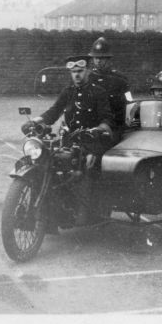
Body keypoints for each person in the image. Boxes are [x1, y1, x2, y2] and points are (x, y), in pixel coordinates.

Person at [21, 55, 114, 225]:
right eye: (73, 72)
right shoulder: (68, 91)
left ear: (87, 71)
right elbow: (54, 111)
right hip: (69, 139)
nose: (76, 75)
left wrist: (97, 135)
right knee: (44, 160)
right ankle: (50, 211)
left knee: (86, 168)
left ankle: (85, 213)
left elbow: (107, 120)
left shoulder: (98, 92)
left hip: (91, 141)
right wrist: (35, 121)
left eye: (80, 71)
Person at [88, 37, 131, 139]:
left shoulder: (120, 80)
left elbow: (130, 103)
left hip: (114, 127)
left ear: (108, 59)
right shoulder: (87, 78)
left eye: (102, 58)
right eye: (95, 58)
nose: (98, 61)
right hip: (91, 126)